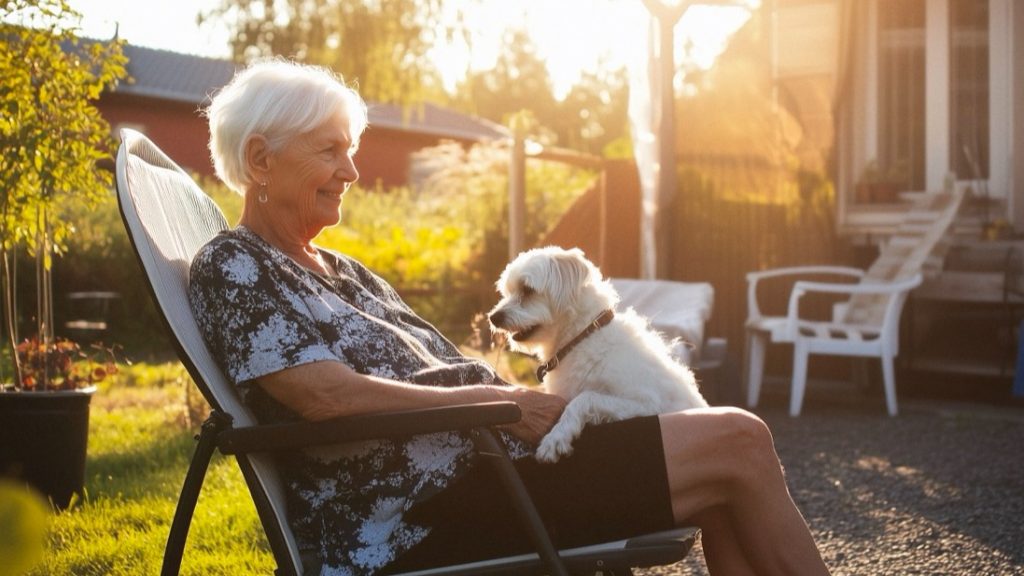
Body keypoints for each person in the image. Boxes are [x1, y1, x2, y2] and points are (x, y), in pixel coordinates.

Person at [189, 58, 831, 576]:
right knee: (739, 442)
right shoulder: (237, 267)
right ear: (261, 159)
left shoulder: (342, 270)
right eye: (330, 150)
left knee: (725, 468)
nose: (351, 171)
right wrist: (496, 403)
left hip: (495, 465)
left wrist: (511, 403)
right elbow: (324, 396)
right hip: (428, 512)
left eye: (351, 150)